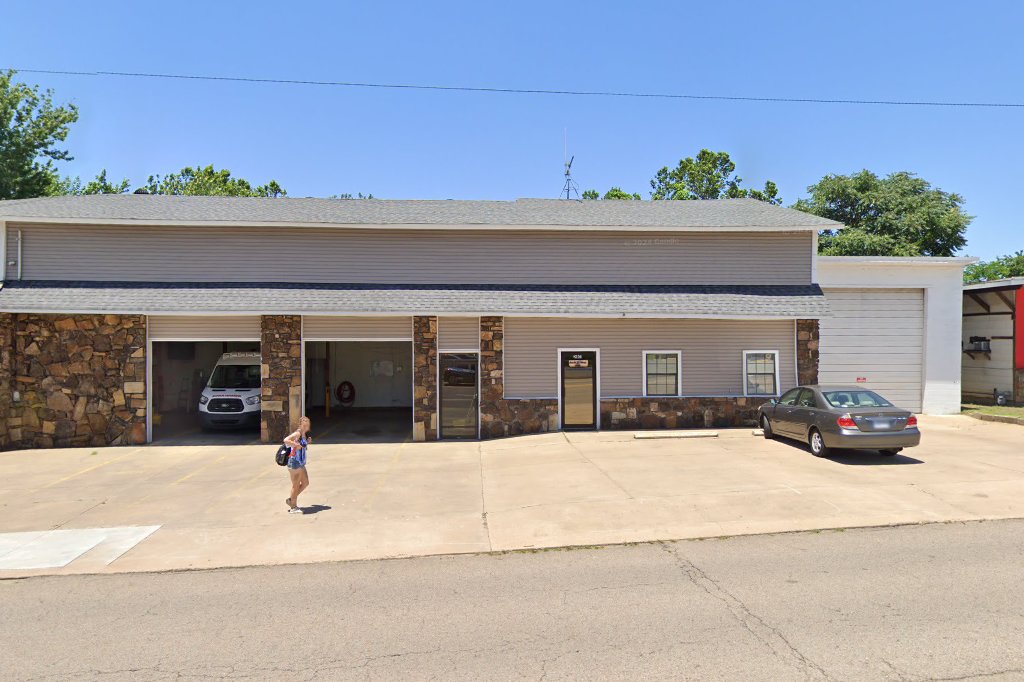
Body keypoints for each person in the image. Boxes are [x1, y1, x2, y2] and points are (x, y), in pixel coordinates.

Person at [284, 416, 312, 514]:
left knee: (305, 483)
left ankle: (291, 500)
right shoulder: (297, 433)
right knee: (295, 485)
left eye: (307, 425)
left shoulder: (304, 434)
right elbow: (286, 440)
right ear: (300, 425)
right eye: (304, 425)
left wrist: (307, 442)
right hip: (295, 463)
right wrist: (296, 445)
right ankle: (293, 507)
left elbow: (302, 446)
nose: (306, 427)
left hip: (301, 463)